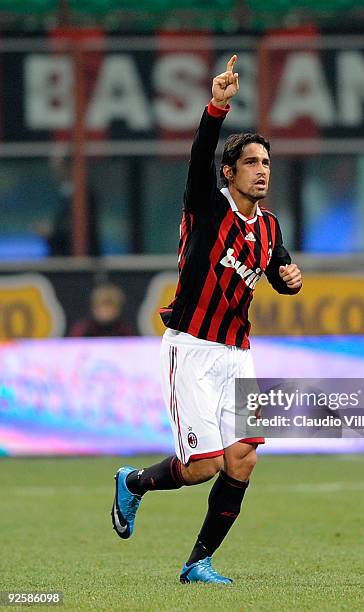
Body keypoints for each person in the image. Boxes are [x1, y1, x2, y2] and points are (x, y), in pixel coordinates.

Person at [111, 55, 302, 584]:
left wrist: (288, 277)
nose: (263, 170)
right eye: (253, 163)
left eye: (267, 163)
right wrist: (217, 106)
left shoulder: (268, 225)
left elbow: (279, 264)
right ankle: (132, 483)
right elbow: (198, 154)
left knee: (242, 460)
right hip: (193, 347)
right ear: (229, 171)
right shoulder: (207, 205)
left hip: (239, 354)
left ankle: (198, 562)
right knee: (203, 468)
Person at [69, 283, 134, 337]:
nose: (106, 312)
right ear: (94, 308)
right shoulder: (82, 330)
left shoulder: (125, 331)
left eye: (110, 308)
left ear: (118, 310)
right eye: (103, 308)